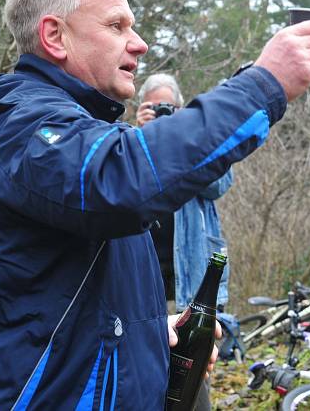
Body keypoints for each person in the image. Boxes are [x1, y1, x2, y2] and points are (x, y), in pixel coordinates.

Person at [0, 0, 310, 409]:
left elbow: (63, 295)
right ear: (54, 36)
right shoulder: (23, 127)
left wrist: (146, 331)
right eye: (117, 26)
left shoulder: (70, 128)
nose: (140, 44)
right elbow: (122, 182)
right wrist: (264, 84)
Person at [136, 73, 233, 411]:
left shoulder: (196, 142)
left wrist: (181, 136)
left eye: (169, 108)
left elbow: (219, 185)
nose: (163, 113)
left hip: (191, 277)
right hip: (144, 279)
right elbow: (124, 184)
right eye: (154, 107)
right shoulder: (132, 142)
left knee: (193, 364)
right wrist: (147, 133)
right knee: (145, 359)